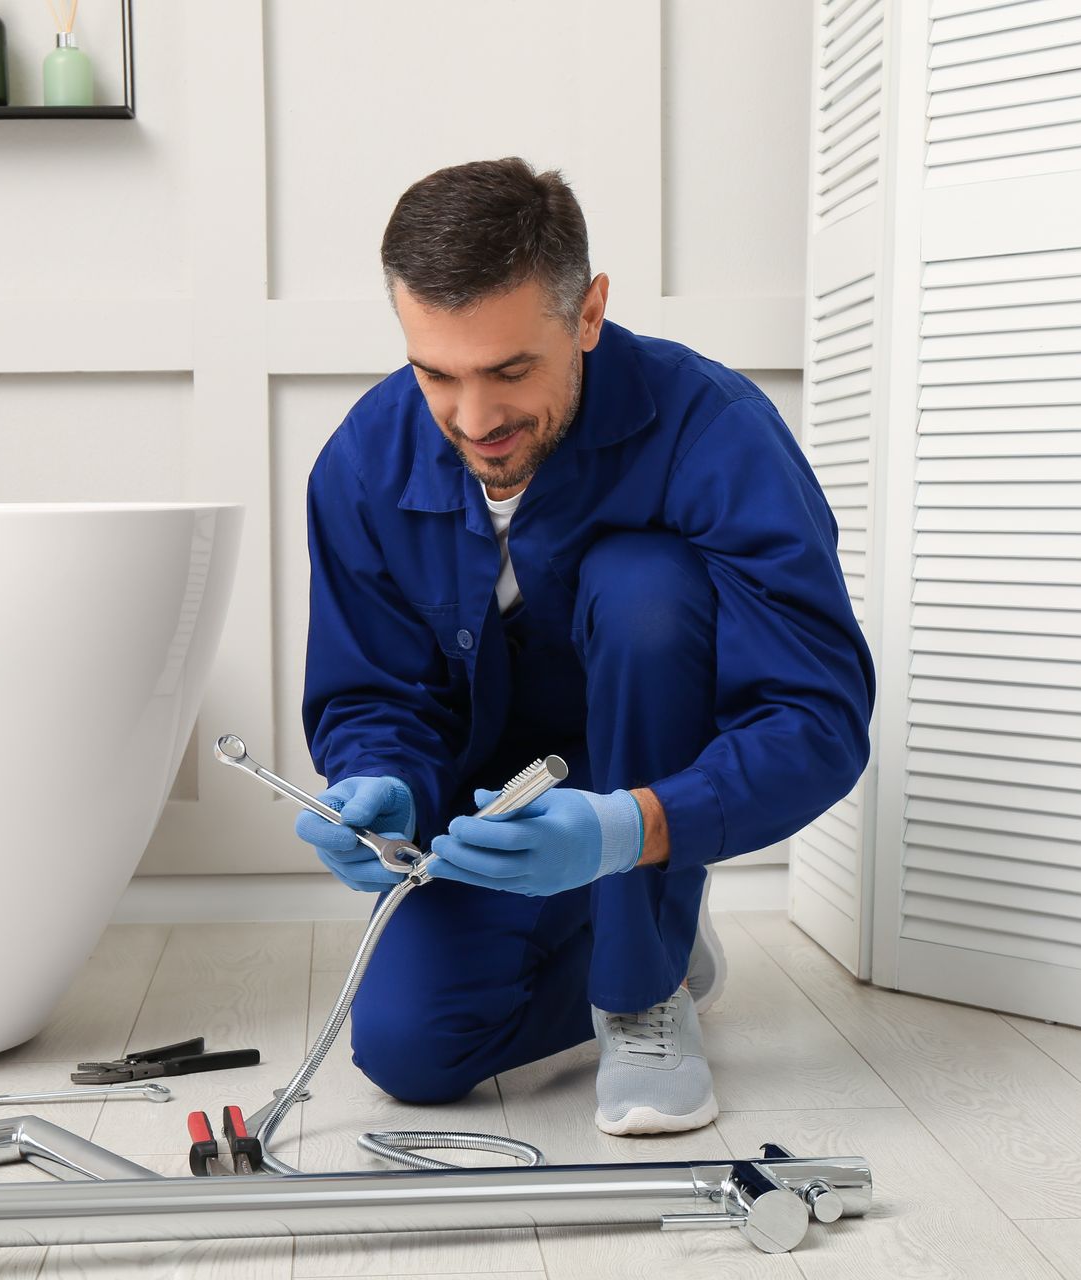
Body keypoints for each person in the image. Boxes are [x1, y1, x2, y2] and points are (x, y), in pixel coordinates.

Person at [295, 157, 874, 1135]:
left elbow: (815, 716)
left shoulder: (717, 430)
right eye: (437, 373)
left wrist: (632, 828)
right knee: (410, 1048)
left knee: (645, 585)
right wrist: (379, 780)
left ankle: (646, 981)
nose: (474, 419)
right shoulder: (361, 462)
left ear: (590, 314)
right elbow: (369, 692)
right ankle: (664, 937)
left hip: (653, 781)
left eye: (510, 370)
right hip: (490, 812)